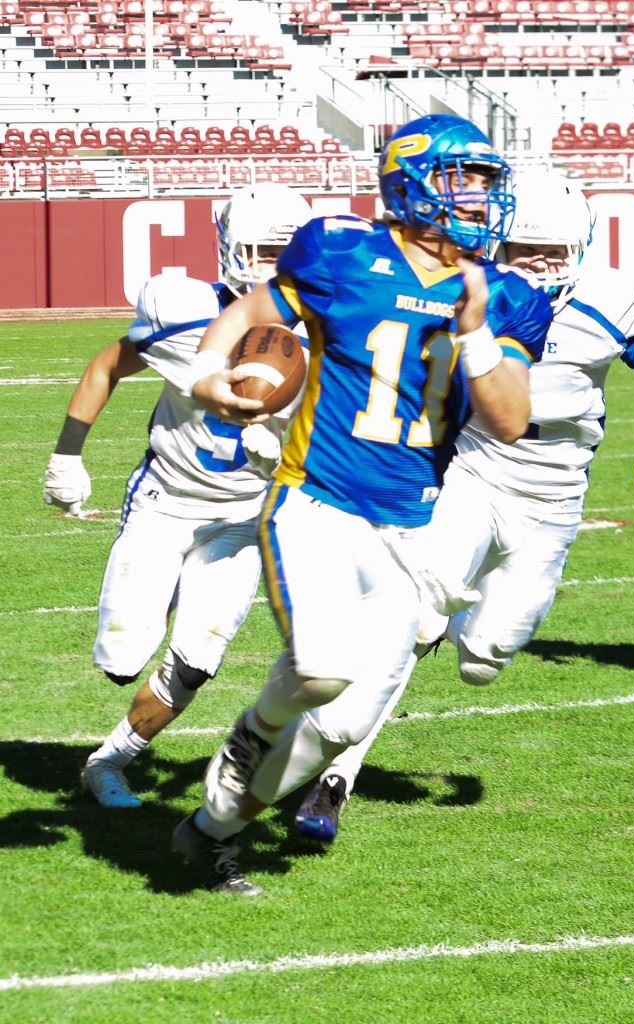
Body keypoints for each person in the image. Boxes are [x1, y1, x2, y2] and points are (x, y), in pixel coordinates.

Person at [171, 113, 554, 895]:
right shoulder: (341, 251)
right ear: (409, 182)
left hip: (410, 526)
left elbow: (510, 420)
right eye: (463, 181)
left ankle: (206, 832)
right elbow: (251, 313)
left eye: (486, 185)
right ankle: (253, 734)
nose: (480, 201)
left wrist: (474, 332)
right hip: (315, 498)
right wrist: (208, 375)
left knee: (342, 724)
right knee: (317, 671)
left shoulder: (506, 295)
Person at [293, 168, 634, 844]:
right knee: (412, 618)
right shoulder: (465, 288)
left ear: (580, 251)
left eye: (551, 253)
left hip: (553, 499)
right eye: (521, 249)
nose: (534, 264)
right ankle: (333, 778)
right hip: (473, 472)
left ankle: (455, 619)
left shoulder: (609, 301)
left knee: (482, 659)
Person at [43, 183, 313, 809]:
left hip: (247, 517)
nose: (273, 266)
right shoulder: (186, 312)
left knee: (196, 660)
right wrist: (67, 453)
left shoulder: (335, 335)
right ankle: (146, 618)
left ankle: (109, 762)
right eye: (261, 250)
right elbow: (108, 363)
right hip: (166, 500)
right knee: (121, 656)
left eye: (285, 251)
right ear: (229, 250)